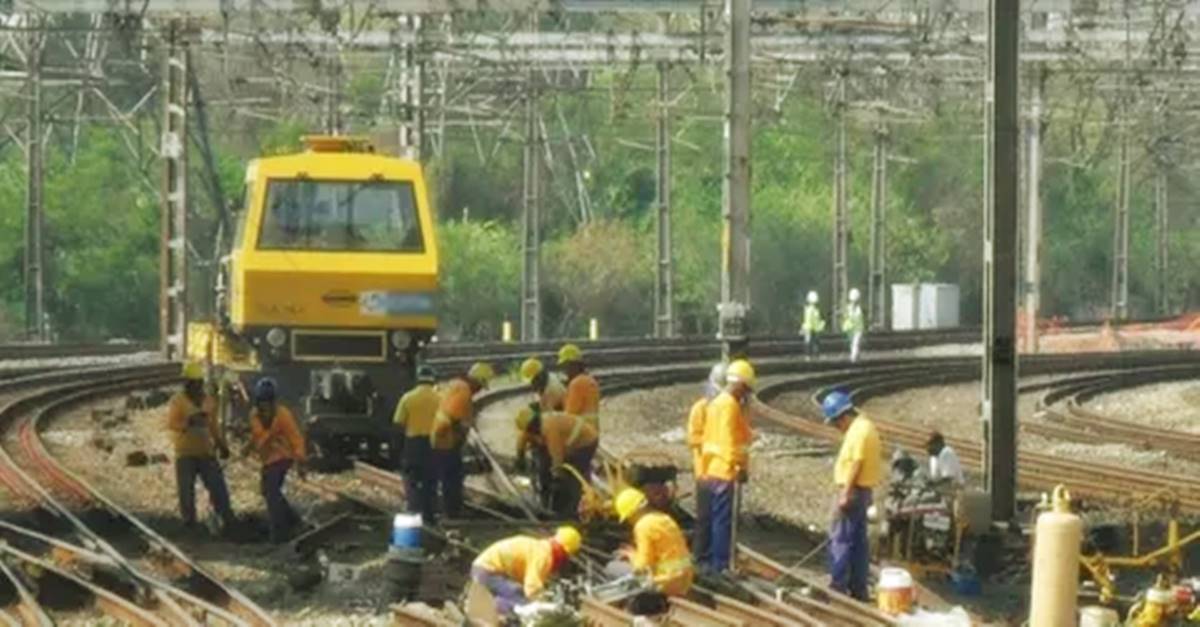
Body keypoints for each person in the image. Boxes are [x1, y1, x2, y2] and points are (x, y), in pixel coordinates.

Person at [822, 389, 882, 601]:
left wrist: (845, 492)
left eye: (836, 424)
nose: (838, 429)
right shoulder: (868, 426)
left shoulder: (857, 431)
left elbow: (857, 462)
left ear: (843, 416)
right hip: (863, 491)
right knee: (858, 542)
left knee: (840, 538)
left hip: (853, 491)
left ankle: (837, 586)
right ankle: (859, 589)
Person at [697, 359, 755, 574]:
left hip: (712, 468)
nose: (746, 395)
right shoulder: (730, 406)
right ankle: (720, 565)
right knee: (723, 521)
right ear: (739, 384)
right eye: (746, 389)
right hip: (725, 470)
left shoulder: (715, 403)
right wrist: (740, 467)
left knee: (714, 519)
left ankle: (712, 562)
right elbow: (730, 442)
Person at [165, 362, 236, 532]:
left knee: (217, 486)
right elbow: (171, 423)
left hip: (206, 452)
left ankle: (226, 518)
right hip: (185, 453)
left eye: (197, 383)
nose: (195, 386)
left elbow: (213, 427)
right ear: (187, 383)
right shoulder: (178, 401)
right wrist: (188, 422)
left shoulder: (209, 401)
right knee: (186, 491)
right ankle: (189, 524)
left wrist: (221, 445)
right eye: (191, 383)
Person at [245, 378, 307, 543]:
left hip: (282, 458)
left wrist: (300, 461)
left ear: (273, 402)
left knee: (271, 491)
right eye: (262, 403)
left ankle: (280, 534)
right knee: (268, 491)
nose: (265, 407)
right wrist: (248, 447)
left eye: (268, 403)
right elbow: (257, 436)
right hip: (267, 459)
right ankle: (294, 520)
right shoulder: (254, 416)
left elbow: (296, 439)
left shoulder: (283, 416)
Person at [613, 488, 694, 614]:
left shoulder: (642, 526)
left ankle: (634, 605)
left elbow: (642, 567)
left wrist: (631, 556)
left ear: (632, 513)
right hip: (684, 580)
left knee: (615, 568)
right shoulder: (663, 518)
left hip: (664, 582)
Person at [471, 526, 582, 618]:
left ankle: (500, 608)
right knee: (523, 605)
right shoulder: (544, 556)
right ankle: (497, 607)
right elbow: (532, 587)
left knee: (518, 592)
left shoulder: (541, 548)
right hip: (486, 571)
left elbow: (530, 584)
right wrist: (543, 605)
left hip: (485, 569)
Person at [429, 361, 493, 521]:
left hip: (440, 439)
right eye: (480, 385)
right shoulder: (463, 393)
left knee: (448, 477)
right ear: (476, 381)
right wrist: (460, 437)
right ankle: (452, 513)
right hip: (446, 442)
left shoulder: (455, 385)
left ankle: (450, 510)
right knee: (451, 479)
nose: (479, 391)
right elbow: (452, 420)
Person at [515, 407, 598, 517]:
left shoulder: (550, 429)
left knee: (573, 474)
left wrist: (557, 475)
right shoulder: (529, 430)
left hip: (586, 442)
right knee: (544, 459)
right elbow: (521, 443)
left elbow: (557, 456)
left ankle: (574, 507)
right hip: (567, 439)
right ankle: (547, 494)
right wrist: (520, 458)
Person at [686, 362, 725, 568]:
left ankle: (715, 558)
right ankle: (701, 557)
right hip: (705, 470)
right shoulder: (700, 409)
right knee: (705, 518)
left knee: (719, 518)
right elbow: (694, 440)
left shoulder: (726, 409)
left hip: (722, 471)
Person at [393, 365, 441, 521]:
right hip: (433, 444)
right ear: (433, 381)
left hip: (413, 443)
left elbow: (398, 423)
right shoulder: (440, 398)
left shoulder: (407, 398)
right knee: (431, 479)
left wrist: (399, 447)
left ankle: (413, 509)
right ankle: (430, 514)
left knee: (411, 478)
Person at [558, 344, 600, 433]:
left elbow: (569, 415)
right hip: (592, 432)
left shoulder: (576, 384)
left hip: (579, 433)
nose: (564, 371)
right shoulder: (591, 380)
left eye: (565, 366)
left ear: (573, 365)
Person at [801, 291, 826, 360]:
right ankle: (810, 356)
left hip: (812, 329)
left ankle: (810, 356)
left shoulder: (810, 309)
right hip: (811, 329)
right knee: (812, 343)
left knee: (811, 343)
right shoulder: (813, 310)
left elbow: (808, 320)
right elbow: (810, 320)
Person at [843, 288, 866, 363]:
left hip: (857, 329)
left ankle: (853, 358)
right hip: (851, 329)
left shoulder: (858, 309)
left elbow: (859, 319)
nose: (854, 302)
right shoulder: (849, 308)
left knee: (855, 343)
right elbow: (846, 318)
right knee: (853, 344)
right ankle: (856, 356)